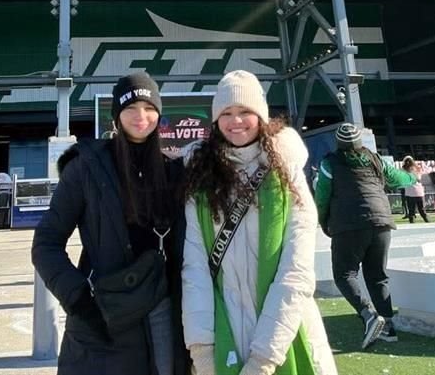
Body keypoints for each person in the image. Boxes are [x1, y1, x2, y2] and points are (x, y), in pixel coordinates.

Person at [32, 72, 189, 375]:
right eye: (130, 108)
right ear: (116, 116)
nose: (140, 116)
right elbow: (46, 244)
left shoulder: (174, 172)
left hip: (163, 316)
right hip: (104, 316)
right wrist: (79, 300)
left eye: (148, 108)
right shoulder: (86, 169)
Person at [182, 70, 337, 375]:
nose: (235, 121)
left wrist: (264, 358)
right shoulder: (200, 180)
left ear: (262, 116)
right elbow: (195, 268)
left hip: (286, 333)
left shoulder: (287, 173)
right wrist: (202, 351)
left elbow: (296, 272)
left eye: (244, 112)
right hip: (225, 331)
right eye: (226, 113)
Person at [315, 122, 420, 347]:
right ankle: (389, 328)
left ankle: (369, 315)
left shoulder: (329, 163)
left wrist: (322, 220)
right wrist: (413, 177)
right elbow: (398, 179)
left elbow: (322, 197)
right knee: (378, 276)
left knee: (345, 274)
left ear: (338, 143)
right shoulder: (375, 159)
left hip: (348, 224)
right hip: (382, 222)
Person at [402, 156, 429, 223]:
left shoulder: (403, 170)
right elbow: (419, 179)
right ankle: (428, 222)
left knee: (411, 211)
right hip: (419, 192)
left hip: (409, 192)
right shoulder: (417, 169)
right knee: (422, 210)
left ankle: (412, 223)